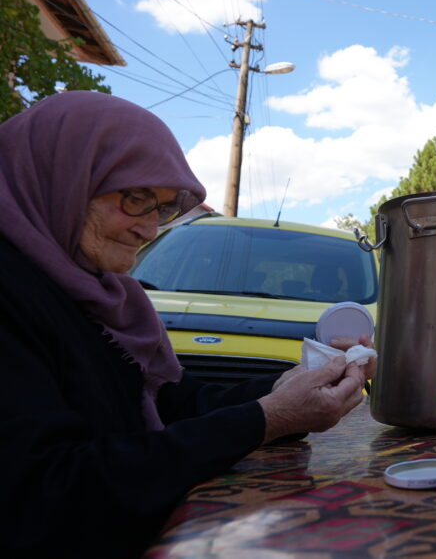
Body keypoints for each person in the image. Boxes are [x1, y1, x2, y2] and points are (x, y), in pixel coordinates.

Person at [0, 91, 375, 557]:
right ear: (61, 177)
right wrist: (268, 418)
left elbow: (178, 403)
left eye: (161, 208)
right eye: (135, 198)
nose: (150, 228)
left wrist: (289, 386)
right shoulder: (13, 293)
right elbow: (49, 494)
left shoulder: (99, 294)